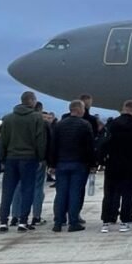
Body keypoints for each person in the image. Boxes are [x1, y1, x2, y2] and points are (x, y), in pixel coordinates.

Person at [0, 92, 47, 233]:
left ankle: (3, 221)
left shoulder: (8, 118)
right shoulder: (36, 118)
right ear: (31, 101)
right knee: (27, 189)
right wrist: (41, 157)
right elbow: (40, 139)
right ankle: (23, 221)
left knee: (8, 191)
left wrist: (2, 158)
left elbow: (3, 141)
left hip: (11, 158)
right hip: (29, 158)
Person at [99, 100, 132, 233]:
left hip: (112, 164)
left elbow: (103, 144)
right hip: (130, 165)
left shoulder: (112, 124)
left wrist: (102, 161)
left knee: (110, 192)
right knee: (128, 193)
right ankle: (125, 219)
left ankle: (107, 219)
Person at [48, 100, 95, 233]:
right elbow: (89, 147)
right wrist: (92, 164)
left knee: (61, 193)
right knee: (75, 193)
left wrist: (52, 164)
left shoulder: (59, 125)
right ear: (79, 109)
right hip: (79, 163)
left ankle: (58, 222)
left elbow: (53, 146)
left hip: (61, 163)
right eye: (83, 109)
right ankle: (73, 222)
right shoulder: (85, 125)